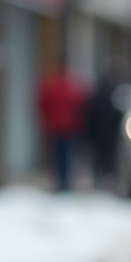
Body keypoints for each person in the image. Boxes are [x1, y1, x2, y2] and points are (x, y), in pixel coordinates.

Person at [35, 62, 86, 191]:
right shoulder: (72, 87)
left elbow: (42, 103)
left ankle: (59, 181)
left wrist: (46, 120)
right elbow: (81, 106)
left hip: (55, 127)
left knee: (57, 156)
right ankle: (66, 182)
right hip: (69, 128)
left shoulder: (50, 85)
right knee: (67, 156)